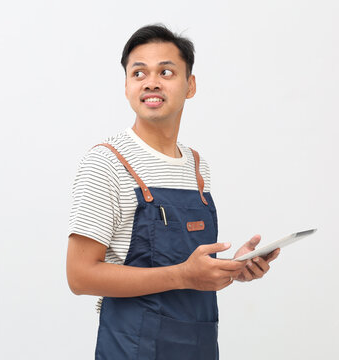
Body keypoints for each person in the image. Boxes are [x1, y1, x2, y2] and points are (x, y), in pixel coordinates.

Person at [66, 24, 280, 360]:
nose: (151, 82)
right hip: (132, 349)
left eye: (166, 71)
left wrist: (231, 269)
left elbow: (190, 270)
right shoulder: (106, 162)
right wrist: (183, 275)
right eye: (139, 73)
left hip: (199, 346)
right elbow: (79, 276)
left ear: (190, 85)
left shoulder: (196, 166)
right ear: (126, 87)